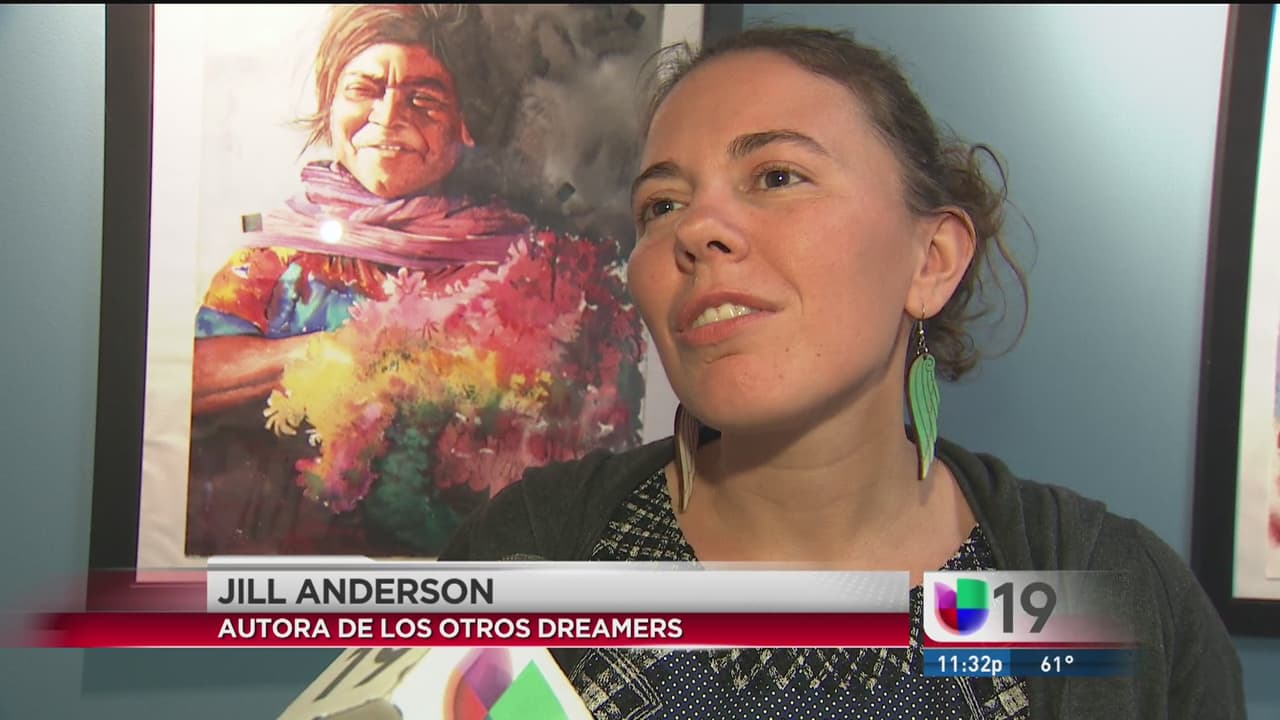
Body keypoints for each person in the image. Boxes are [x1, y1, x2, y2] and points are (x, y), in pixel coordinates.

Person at [441, 25, 1245, 718]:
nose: (698, 228)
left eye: (777, 176)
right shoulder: (531, 559)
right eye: (662, 205)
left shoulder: (1105, 601)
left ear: (931, 260)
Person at [186, 4, 644, 557]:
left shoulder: (529, 266)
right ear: (331, 105)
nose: (387, 117)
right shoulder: (278, 255)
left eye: (423, 99)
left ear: (465, 123)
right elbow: (192, 377)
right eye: (364, 89)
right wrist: (344, 350)